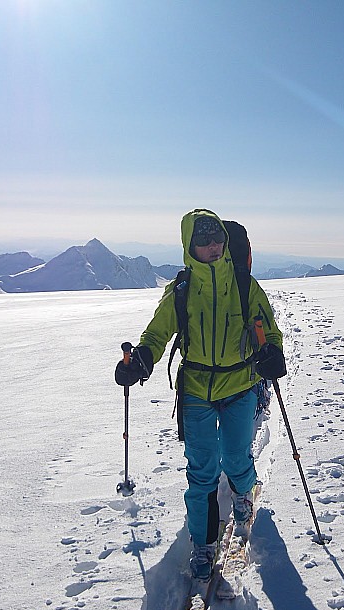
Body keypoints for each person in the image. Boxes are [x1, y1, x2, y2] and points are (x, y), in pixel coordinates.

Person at [116, 209, 286, 582]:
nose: (212, 245)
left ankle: (244, 493)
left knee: (237, 455)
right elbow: (157, 334)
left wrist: (272, 353)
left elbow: (270, 331)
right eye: (203, 240)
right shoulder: (181, 289)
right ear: (189, 245)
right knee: (202, 470)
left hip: (240, 385)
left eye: (217, 238)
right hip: (195, 390)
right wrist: (140, 360)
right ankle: (204, 542)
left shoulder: (245, 286)